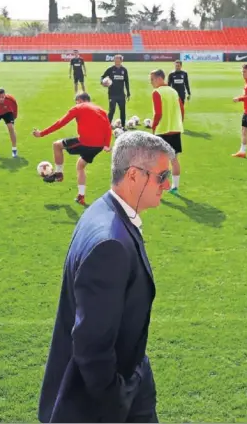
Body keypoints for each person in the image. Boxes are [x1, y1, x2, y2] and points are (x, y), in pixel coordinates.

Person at [38, 131, 175, 423]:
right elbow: (91, 343)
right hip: (107, 400)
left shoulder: (103, 210)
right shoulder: (110, 244)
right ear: (135, 176)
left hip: (129, 373)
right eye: (161, 176)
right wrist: (117, 398)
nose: (167, 184)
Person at [32, 92, 111, 205]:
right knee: (80, 166)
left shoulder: (78, 108)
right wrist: (106, 145)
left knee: (57, 145)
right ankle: (81, 196)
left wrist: (42, 133)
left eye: (76, 102)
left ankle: (58, 174)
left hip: (85, 142)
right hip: (98, 146)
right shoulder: (100, 109)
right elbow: (108, 127)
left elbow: (60, 123)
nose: (76, 104)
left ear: (80, 100)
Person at [150, 69, 184, 194]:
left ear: (159, 78)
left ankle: (159, 186)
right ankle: (175, 187)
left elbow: (158, 113)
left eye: (152, 79)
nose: (151, 82)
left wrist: (153, 127)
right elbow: (181, 109)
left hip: (162, 130)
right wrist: (179, 123)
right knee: (174, 159)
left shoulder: (157, 92)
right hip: (175, 129)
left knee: (158, 161)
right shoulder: (173, 91)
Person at [101, 54, 131, 128]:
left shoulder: (124, 70)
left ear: (121, 60)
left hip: (121, 94)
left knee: (122, 111)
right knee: (112, 110)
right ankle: (107, 126)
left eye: (118, 59)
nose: (116, 61)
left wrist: (128, 92)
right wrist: (102, 82)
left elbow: (126, 82)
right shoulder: (110, 69)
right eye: (115, 59)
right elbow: (102, 77)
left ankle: (123, 126)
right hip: (112, 94)